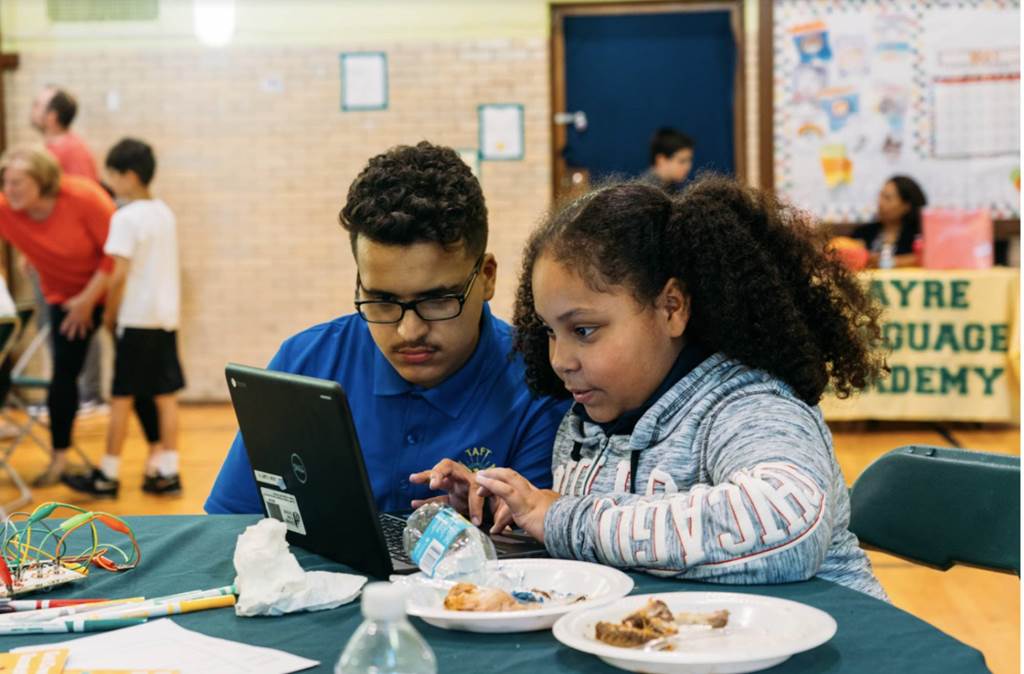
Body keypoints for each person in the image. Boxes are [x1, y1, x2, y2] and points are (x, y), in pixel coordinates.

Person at [423, 177, 888, 599]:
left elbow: (788, 524)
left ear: (671, 308)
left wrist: (561, 519)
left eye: (584, 330)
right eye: (549, 331)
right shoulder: (586, 424)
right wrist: (514, 515)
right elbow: (623, 543)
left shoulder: (750, 405)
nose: (560, 360)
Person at [204, 141, 569, 516]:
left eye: (437, 301)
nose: (408, 331)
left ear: (487, 277)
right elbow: (231, 525)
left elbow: (539, 550)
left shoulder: (542, 381)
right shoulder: (304, 365)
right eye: (381, 301)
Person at [63, 139, 184, 498]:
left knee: (121, 396)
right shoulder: (164, 212)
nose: (110, 183)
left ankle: (107, 474)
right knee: (165, 395)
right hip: (165, 317)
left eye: (112, 176)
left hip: (136, 318)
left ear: (129, 176)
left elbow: (117, 274)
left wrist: (111, 313)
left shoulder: (125, 217)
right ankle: (169, 471)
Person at [0, 145, 115, 485]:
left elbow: (115, 255)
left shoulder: (84, 198)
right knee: (63, 376)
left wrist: (87, 301)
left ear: (43, 181)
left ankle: (149, 462)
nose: (9, 190)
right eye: (5, 182)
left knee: (131, 383)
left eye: (18, 182)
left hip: (110, 292)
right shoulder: (8, 209)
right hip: (64, 298)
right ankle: (60, 459)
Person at [30, 85, 106, 414]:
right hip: (46, 259)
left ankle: (87, 395)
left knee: (78, 323)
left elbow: (84, 206)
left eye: (38, 104)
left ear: (52, 116)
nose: (32, 109)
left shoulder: (70, 152)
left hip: (72, 262)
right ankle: (68, 395)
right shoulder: (48, 151)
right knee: (54, 325)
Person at [853, 175, 927, 269]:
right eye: (880, 196)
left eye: (887, 198)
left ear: (906, 206)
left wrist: (888, 262)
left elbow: (925, 258)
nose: (880, 203)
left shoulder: (918, 235)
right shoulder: (864, 232)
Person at [641, 128, 695, 194]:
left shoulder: (670, 187)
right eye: (682, 161)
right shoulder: (646, 193)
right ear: (661, 160)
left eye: (689, 160)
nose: (688, 167)